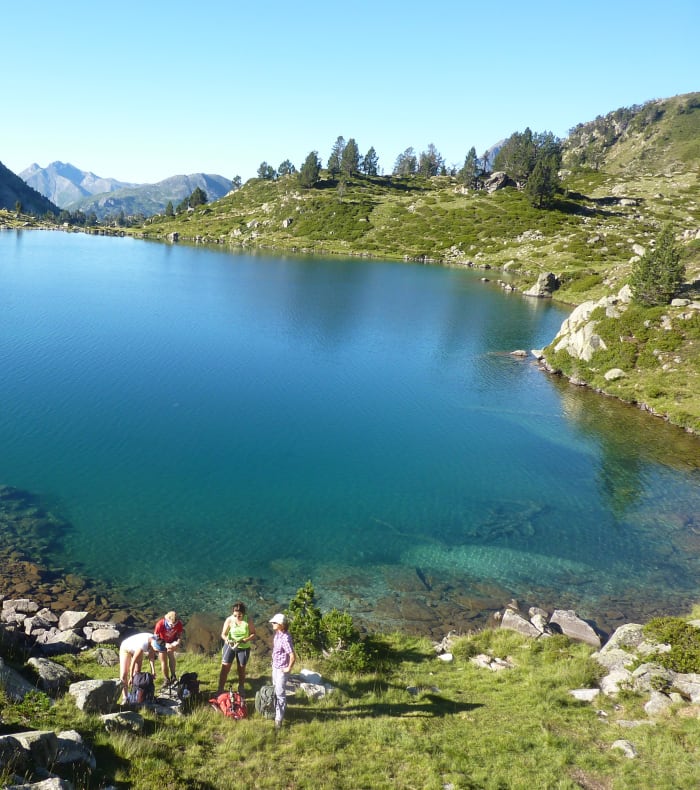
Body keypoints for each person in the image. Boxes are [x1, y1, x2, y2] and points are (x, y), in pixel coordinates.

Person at [218, 601, 257, 694]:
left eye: (239, 616)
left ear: (243, 614)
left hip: (243, 647)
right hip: (230, 645)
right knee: (225, 668)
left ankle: (241, 687)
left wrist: (245, 640)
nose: (237, 618)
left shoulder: (248, 621)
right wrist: (227, 640)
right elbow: (223, 634)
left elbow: (253, 634)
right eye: (235, 615)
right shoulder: (229, 620)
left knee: (241, 668)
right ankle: (220, 689)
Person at [269, 612, 295, 730]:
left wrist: (288, 668)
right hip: (275, 666)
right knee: (276, 690)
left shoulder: (285, 638)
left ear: (281, 625)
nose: (272, 624)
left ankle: (278, 719)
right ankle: (277, 711)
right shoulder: (278, 633)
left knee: (280, 693)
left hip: (281, 670)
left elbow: (292, 655)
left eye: (274, 622)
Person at [154, 610, 184, 686]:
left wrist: (178, 642)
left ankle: (173, 676)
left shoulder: (179, 624)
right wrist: (165, 644)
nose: (173, 626)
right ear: (167, 620)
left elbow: (179, 635)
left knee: (171, 657)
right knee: (164, 661)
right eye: (171, 625)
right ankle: (166, 679)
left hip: (171, 642)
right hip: (161, 642)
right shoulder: (160, 624)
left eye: (175, 624)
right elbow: (155, 637)